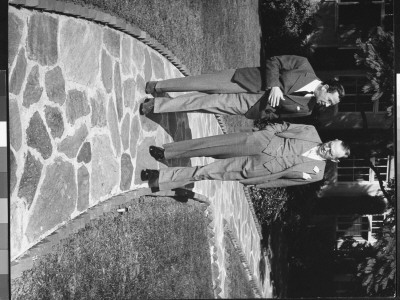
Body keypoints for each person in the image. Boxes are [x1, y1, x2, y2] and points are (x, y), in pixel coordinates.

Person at [140, 122, 350, 191]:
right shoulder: (311, 131)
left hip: (259, 167)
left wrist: (257, 183)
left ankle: (159, 178)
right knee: (210, 145)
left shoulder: (317, 174)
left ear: (334, 159)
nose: (327, 148)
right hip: (259, 142)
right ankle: (168, 152)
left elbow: (283, 182)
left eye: (332, 152)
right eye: (331, 144)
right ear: (332, 140)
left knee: (206, 172)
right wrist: (266, 132)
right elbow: (284, 126)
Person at [140, 55, 345, 120]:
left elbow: (277, 116)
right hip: (248, 79)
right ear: (325, 87)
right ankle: (159, 86)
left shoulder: (307, 110)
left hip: (249, 104)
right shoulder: (304, 65)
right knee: (202, 83)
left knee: (205, 102)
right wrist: (274, 85)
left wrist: (263, 112)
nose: (325, 104)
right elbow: (273, 61)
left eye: (329, 105)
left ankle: (156, 106)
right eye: (328, 99)